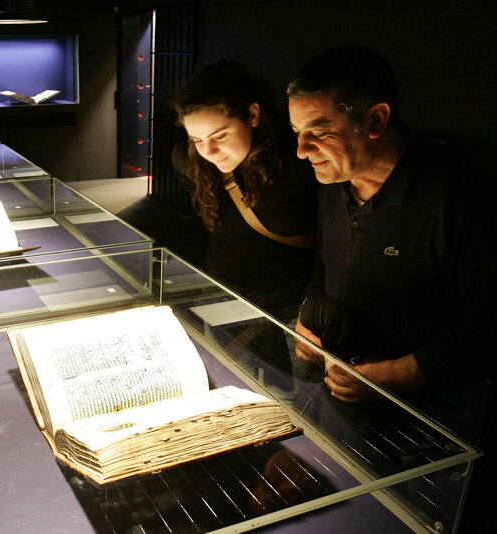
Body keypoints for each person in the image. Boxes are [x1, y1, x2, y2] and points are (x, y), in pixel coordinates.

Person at [287, 45, 495, 531]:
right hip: (347, 396)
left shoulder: (456, 195)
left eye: (318, 131)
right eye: (297, 132)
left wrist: (389, 377)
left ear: (375, 120)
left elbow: (489, 330)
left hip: (432, 423)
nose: (301, 149)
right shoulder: (332, 180)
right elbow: (325, 265)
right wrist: (307, 317)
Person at [173, 60, 318, 323]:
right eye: (197, 139)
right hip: (219, 290)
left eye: (219, 136)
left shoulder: (300, 162)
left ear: (252, 115)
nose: (208, 152)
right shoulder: (189, 162)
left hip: (292, 306)